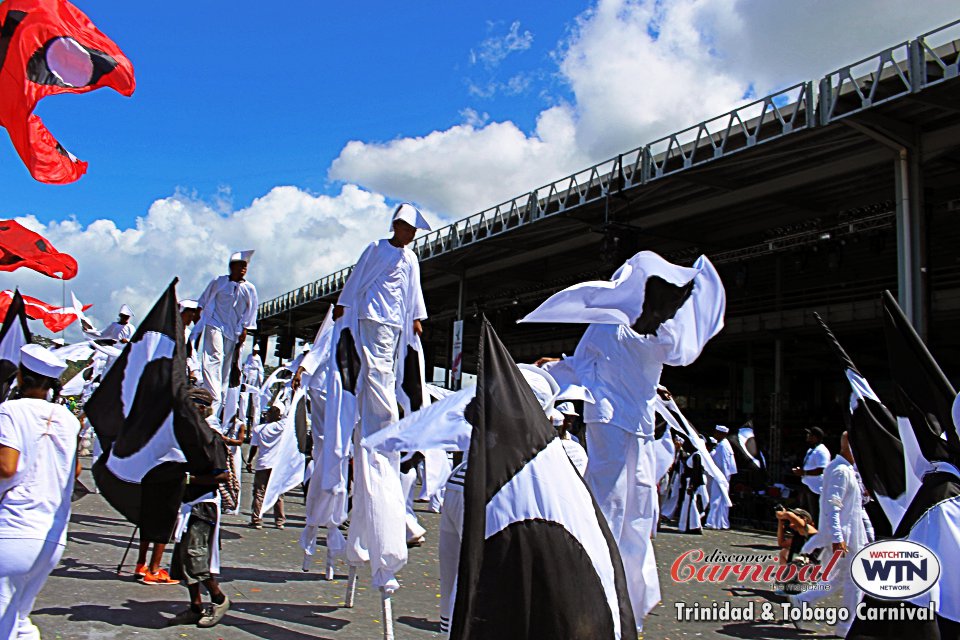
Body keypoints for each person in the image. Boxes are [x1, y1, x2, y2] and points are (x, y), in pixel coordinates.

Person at [331, 203, 430, 595]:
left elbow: (413, 291)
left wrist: (417, 317)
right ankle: (380, 417)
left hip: (394, 321)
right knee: (374, 370)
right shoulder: (376, 248)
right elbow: (358, 278)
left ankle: (384, 415)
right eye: (408, 229)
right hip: (372, 315)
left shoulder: (412, 257)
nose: (411, 236)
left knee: (387, 372)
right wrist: (346, 302)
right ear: (397, 226)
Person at [0, 345, 81, 640]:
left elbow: (7, 467)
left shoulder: (10, 411)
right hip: (52, 535)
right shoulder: (68, 420)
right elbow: (75, 472)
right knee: (20, 620)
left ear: (21, 377)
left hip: (13, 528)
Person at [789, 431, 867, 637]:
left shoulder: (845, 469)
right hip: (846, 537)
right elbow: (833, 508)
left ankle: (803, 600)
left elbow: (850, 506)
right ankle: (846, 627)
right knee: (854, 580)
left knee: (843, 577)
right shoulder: (841, 471)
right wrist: (838, 538)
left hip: (850, 535)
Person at [167, 387, 231, 628]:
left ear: (203, 408)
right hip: (186, 504)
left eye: (192, 405)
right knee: (183, 560)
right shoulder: (187, 437)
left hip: (202, 505)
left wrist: (188, 480)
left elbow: (223, 476)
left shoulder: (211, 439)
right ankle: (195, 606)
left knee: (197, 559)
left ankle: (219, 599)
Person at [194, 251, 258, 426]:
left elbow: (251, 311)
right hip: (215, 323)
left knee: (225, 369)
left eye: (246, 265)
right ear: (232, 267)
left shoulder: (249, 288)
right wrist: (199, 319)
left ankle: (217, 408)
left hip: (233, 330)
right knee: (214, 356)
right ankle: (212, 394)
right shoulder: (219, 281)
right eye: (241, 265)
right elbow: (204, 300)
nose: (244, 268)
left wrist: (244, 329)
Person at [246, 403, 286, 529]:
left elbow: (254, 447)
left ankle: (257, 519)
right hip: (277, 465)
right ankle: (279, 521)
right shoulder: (282, 427)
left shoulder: (259, 429)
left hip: (262, 463)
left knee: (259, 493)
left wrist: (249, 461)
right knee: (277, 493)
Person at [791, 427, 830, 524]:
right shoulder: (811, 450)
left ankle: (815, 535)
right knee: (804, 513)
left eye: (810, 435)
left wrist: (804, 473)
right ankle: (806, 535)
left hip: (815, 488)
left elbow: (822, 469)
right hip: (807, 486)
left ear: (816, 437)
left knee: (814, 514)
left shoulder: (821, 451)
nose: (807, 436)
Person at [705, 425, 737, 529]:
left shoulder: (723, 446)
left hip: (720, 476)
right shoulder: (722, 444)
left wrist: (721, 477)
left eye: (717, 433)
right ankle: (720, 522)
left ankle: (712, 522)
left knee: (716, 499)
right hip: (720, 476)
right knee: (721, 500)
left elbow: (724, 464)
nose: (715, 435)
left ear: (722, 434)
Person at [554, 402, 588, 474]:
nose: (570, 420)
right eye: (567, 416)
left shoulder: (574, 440)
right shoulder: (551, 440)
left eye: (572, 417)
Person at [240, 344, 264, 427]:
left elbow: (260, 369)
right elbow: (246, 365)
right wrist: (245, 374)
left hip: (255, 375)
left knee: (256, 399)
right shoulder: (249, 356)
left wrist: (261, 379)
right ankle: (243, 420)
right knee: (244, 398)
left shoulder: (258, 358)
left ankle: (255, 423)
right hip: (249, 374)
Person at [179, 299, 201, 385]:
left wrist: (194, 372)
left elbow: (191, 356)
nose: (191, 318)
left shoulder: (188, 334)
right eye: (188, 315)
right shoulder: (171, 332)